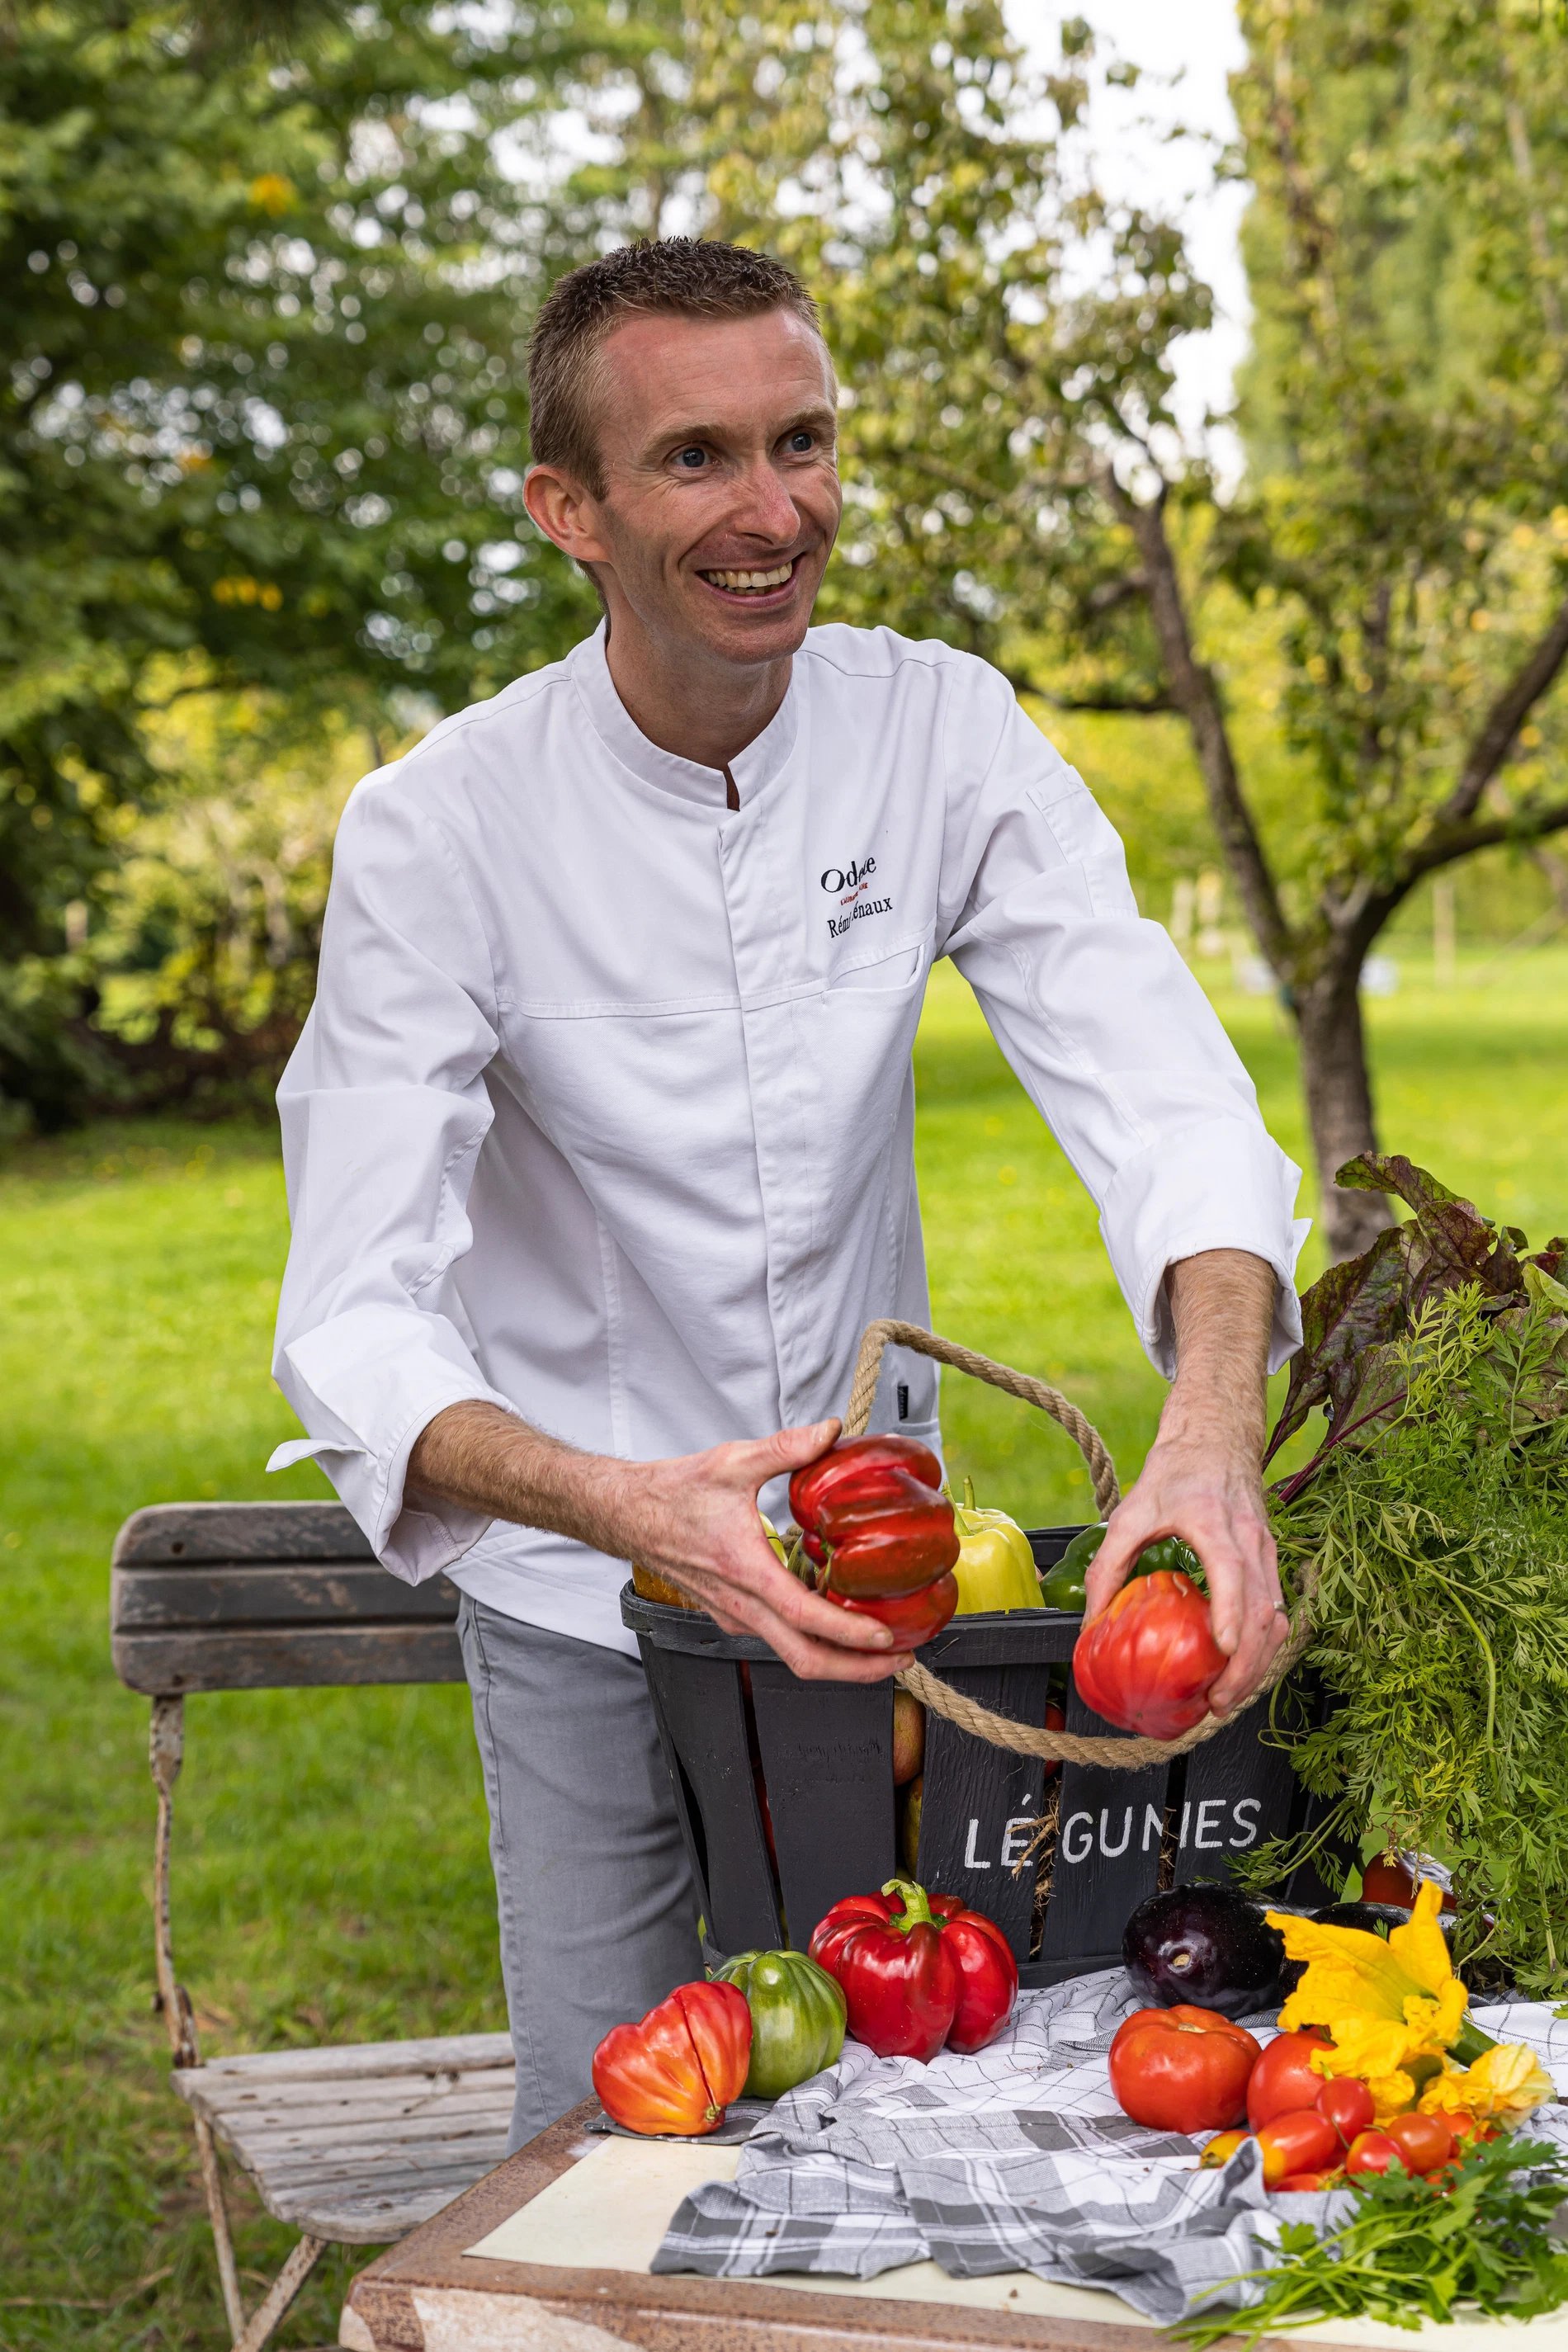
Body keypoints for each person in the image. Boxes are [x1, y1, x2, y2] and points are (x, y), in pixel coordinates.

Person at [268, 237, 1306, 2151]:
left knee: (913, 2099)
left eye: (802, 440)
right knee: (607, 2139)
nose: (772, 512)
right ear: (565, 508)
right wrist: (617, 1505)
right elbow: (351, 1306)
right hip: (583, 1583)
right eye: (695, 459)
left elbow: (1158, 1083)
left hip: (882, 1571)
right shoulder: (440, 827)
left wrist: (1209, 1425)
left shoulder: (936, 731)